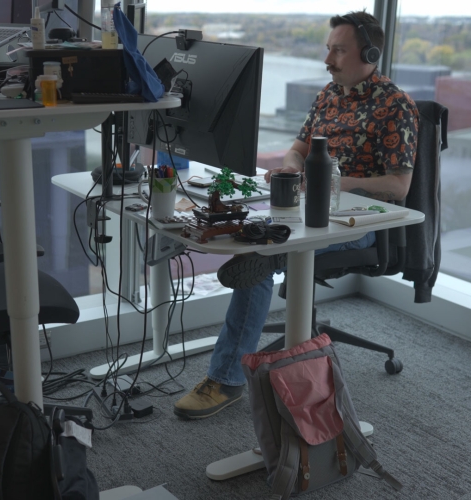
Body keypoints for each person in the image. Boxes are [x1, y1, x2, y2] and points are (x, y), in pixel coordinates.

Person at [174, 10, 419, 420]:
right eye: (328, 49)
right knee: (249, 231)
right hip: (307, 207)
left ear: (370, 52)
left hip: (362, 223)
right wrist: (291, 167)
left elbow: (399, 187)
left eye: (338, 51)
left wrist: (333, 180)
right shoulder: (329, 93)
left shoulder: (396, 106)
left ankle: (227, 379)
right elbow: (297, 148)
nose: (329, 59)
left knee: (260, 257)